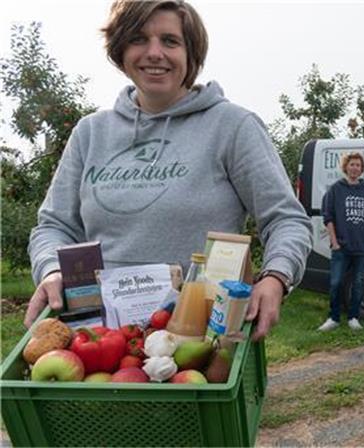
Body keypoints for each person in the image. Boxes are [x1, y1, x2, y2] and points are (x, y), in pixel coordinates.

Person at [24, 0, 312, 341]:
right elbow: (54, 226)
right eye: (138, 39)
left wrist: (275, 277)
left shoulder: (232, 127)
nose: (154, 52)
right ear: (120, 50)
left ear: (191, 53)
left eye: (170, 41)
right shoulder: (91, 133)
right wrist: (52, 270)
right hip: (104, 344)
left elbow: (286, 219)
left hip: (204, 339)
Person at [318, 152, 364, 331]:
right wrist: (334, 242)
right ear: (346, 167)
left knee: (359, 283)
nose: (355, 168)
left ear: (362, 170)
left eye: (358, 165)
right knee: (336, 282)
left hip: (363, 246)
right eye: (352, 164)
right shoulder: (335, 189)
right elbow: (328, 217)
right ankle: (333, 318)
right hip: (341, 245)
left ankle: (354, 317)